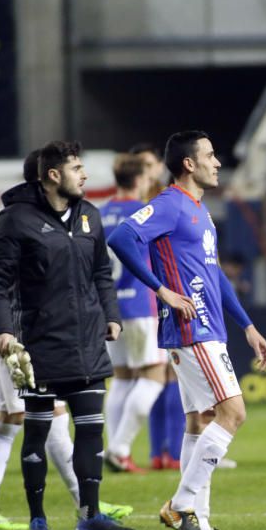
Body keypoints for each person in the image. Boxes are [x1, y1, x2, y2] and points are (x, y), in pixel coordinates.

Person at [108, 131, 266, 530]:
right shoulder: (169, 204)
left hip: (210, 326)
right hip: (192, 327)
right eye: (210, 155)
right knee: (233, 413)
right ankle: (182, 507)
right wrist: (160, 289)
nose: (217, 162)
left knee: (200, 421)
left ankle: (196, 528)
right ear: (188, 163)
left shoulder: (198, 210)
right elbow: (122, 238)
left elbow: (214, 275)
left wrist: (248, 326)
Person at [0, 141, 136, 530]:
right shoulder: (15, 220)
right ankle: (38, 519)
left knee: (89, 431)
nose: (84, 174)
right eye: (77, 167)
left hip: (85, 342)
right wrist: (0, 329)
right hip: (38, 343)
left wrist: (111, 315)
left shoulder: (90, 217)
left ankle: (91, 516)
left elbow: (102, 271)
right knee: (37, 431)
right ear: (53, 175)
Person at [101, 154, 164, 474]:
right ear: (139, 180)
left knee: (123, 378)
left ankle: (113, 449)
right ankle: (121, 447)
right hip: (141, 304)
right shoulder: (143, 212)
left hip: (110, 307)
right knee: (154, 375)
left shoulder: (101, 212)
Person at [129, 143, 185, 471]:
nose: (153, 169)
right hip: (153, 298)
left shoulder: (160, 199)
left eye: (153, 163)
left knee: (167, 374)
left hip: (157, 296)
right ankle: (162, 450)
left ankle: (168, 451)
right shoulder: (153, 206)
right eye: (146, 164)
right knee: (160, 375)